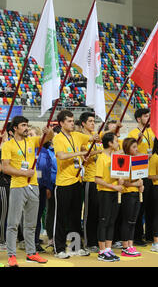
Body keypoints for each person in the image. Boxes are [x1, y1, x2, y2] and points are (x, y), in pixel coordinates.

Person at [2, 116, 53, 266]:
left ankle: (32, 253)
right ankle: (12, 255)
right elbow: (5, 167)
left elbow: (47, 138)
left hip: (34, 187)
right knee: (13, 223)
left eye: (27, 125)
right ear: (15, 129)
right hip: (18, 186)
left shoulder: (31, 141)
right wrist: (24, 173)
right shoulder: (8, 145)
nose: (26, 128)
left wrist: (49, 132)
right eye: (23, 125)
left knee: (31, 224)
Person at [53, 110, 98, 259]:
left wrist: (103, 133)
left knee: (74, 217)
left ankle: (75, 246)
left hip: (77, 181)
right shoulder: (58, 138)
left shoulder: (78, 136)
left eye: (73, 121)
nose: (72, 123)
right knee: (61, 217)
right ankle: (59, 248)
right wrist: (79, 154)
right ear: (61, 123)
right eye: (69, 121)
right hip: (63, 183)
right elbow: (61, 155)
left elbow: (93, 138)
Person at [127, 108, 155, 246]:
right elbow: (130, 152)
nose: (148, 118)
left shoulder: (151, 131)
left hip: (152, 173)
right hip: (139, 172)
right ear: (138, 119)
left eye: (149, 116)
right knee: (140, 206)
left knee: (150, 206)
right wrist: (144, 156)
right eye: (145, 116)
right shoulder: (133, 133)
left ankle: (150, 234)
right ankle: (137, 236)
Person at [95, 132, 122, 262]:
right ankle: (101, 251)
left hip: (114, 192)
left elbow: (118, 174)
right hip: (105, 192)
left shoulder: (115, 157)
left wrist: (120, 180)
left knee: (112, 221)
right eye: (116, 141)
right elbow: (97, 179)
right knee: (104, 221)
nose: (118, 143)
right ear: (110, 143)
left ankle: (108, 249)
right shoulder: (102, 158)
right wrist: (113, 186)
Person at [79, 112, 103, 253]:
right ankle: (89, 241)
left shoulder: (97, 137)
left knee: (100, 213)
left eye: (94, 121)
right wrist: (100, 152)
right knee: (89, 213)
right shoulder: (82, 138)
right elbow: (85, 155)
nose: (93, 123)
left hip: (101, 180)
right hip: (90, 179)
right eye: (90, 121)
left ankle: (99, 241)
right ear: (83, 123)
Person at [119, 137, 144, 256]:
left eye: (136, 146)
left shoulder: (137, 160)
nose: (136, 149)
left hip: (136, 194)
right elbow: (123, 181)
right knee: (127, 221)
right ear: (127, 148)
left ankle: (130, 244)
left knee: (133, 221)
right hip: (127, 194)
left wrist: (141, 185)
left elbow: (140, 177)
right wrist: (135, 184)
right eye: (133, 147)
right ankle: (124, 247)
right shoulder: (123, 160)